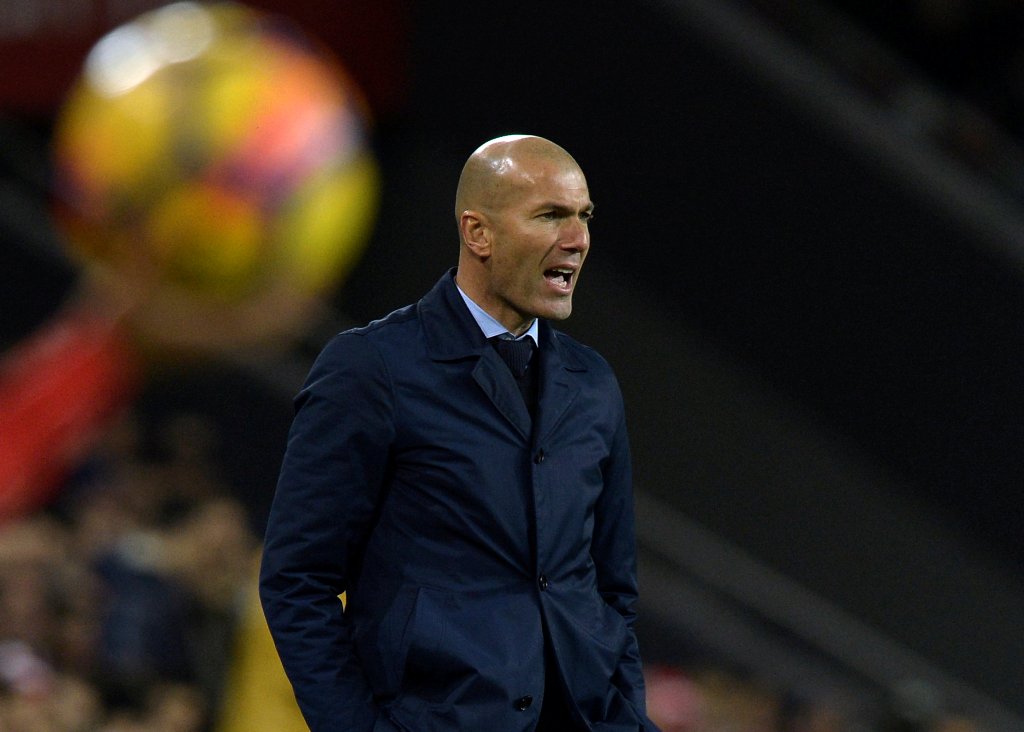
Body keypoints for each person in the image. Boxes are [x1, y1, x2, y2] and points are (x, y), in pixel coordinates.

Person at [259, 134, 656, 731]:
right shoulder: (372, 369)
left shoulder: (593, 382)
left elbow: (612, 587)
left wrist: (623, 711)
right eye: (550, 215)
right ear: (479, 233)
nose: (576, 240)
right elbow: (297, 581)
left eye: (583, 217)